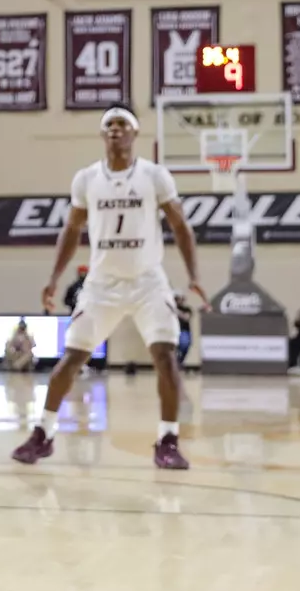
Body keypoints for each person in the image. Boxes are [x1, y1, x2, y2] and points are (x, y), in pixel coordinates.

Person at [12, 106, 205, 471]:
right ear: (103, 136)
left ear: (135, 133)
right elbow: (71, 230)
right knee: (71, 358)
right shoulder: (86, 179)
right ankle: (44, 433)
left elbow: (181, 226)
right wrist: (54, 278)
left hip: (148, 281)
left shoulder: (155, 176)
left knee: (165, 356)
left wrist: (193, 274)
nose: (116, 130)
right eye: (110, 125)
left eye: (123, 124)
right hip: (102, 284)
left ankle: (168, 439)